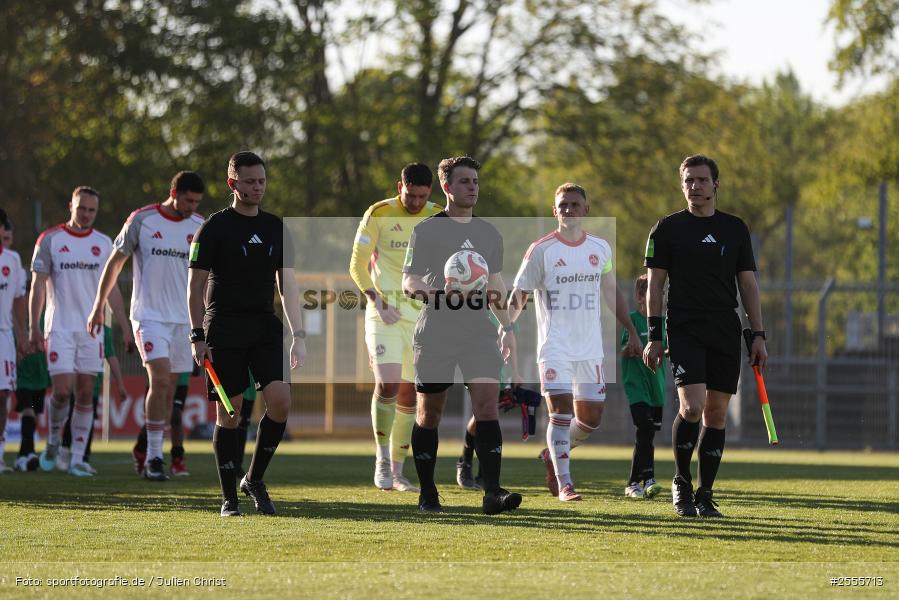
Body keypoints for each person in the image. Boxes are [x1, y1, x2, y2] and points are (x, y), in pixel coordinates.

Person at [643, 154, 767, 518]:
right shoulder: (666, 229)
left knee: (716, 415)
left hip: (724, 328)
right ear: (682, 185)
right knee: (691, 406)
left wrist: (757, 334)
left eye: (701, 180)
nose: (695, 187)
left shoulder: (735, 228)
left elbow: (748, 284)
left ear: (716, 185)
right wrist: (654, 335)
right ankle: (681, 482)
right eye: (688, 181)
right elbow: (655, 284)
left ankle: (705, 493)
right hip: (684, 326)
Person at [402, 155, 521, 515]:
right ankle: (427, 494)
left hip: (478, 332)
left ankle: (492, 492)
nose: (473, 187)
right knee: (430, 414)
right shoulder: (426, 230)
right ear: (447, 187)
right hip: (436, 330)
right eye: (465, 181)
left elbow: (496, 283)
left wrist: (507, 326)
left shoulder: (489, 233)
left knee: (487, 407)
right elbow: (409, 282)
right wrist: (442, 294)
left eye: (475, 182)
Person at [188, 151, 305, 516]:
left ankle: (253, 478)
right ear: (233, 184)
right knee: (231, 412)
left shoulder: (275, 227)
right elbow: (194, 288)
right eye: (251, 181)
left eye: (262, 181)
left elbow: (288, 286)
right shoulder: (213, 228)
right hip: (223, 326)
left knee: (281, 402)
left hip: (264, 326)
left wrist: (299, 332)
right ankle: (229, 499)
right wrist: (196, 335)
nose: (258, 187)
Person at [509, 183, 641, 501]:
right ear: (555, 211)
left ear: (586, 209)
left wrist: (632, 331)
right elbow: (519, 294)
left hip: (590, 348)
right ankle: (565, 482)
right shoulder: (541, 250)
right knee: (561, 413)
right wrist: (504, 327)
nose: (568, 210)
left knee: (591, 418)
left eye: (574, 204)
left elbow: (611, 293)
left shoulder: (600, 248)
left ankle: (551, 453)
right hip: (554, 346)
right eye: (562, 205)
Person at [88, 171, 204, 481]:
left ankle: (144, 449)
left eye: (197, 202)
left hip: (183, 321)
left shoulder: (200, 227)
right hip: (149, 318)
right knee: (161, 381)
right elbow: (114, 264)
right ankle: (154, 458)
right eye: (188, 200)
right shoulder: (143, 219)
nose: (192, 207)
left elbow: (206, 279)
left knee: (169, 395)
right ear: (173, 192)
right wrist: (98, 306)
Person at [349, 163, 442, 492]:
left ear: (430, 192)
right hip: (383, 313)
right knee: (387, 384)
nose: (415, 202)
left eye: (421, 196)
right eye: (409, 194)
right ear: (398, 186)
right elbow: (357, 264)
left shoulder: (439, 215)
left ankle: (399, 470)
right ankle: (381, 459)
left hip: (421, 319)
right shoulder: (379, 212)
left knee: (410, 395)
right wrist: (376, 300)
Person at [30, 186, 132, 477]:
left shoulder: (103, 244)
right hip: (59, 328)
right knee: (62, 393)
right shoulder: (50, 240)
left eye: (92, 210)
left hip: (92, 330)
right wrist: (33, 328)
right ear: (70, 206)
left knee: (86, 394)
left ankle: (76, 459)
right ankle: (52, 442)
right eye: (82, 208)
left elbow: (111, 291)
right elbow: (38, 287)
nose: (86, 214)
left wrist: (124, 326)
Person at [58, 325, 127, 473]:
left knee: (89, 418)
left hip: (93, 385)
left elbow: (111, 356)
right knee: (72, 416)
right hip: (76, 384)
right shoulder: (73, 326)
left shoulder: (105, 331)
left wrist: (120, 384)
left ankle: (83, 458)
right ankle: (64, 451)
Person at [620, 274, 665, 499]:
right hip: (636, 387)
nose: (660, 297)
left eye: (662, 293)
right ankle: (649, 479)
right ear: (640, 297)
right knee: (645, 429)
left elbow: (665, 351)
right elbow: (621, 350)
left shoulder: (663, 323)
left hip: (657, 389)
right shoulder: (632, 321)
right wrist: (631, 348)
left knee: (646, 435)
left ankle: (632, 483)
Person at [0, 212, 28, 472]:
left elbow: (19, 301)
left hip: (3, 336)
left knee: (3, 394)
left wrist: (22, 336)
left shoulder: (12, 260)